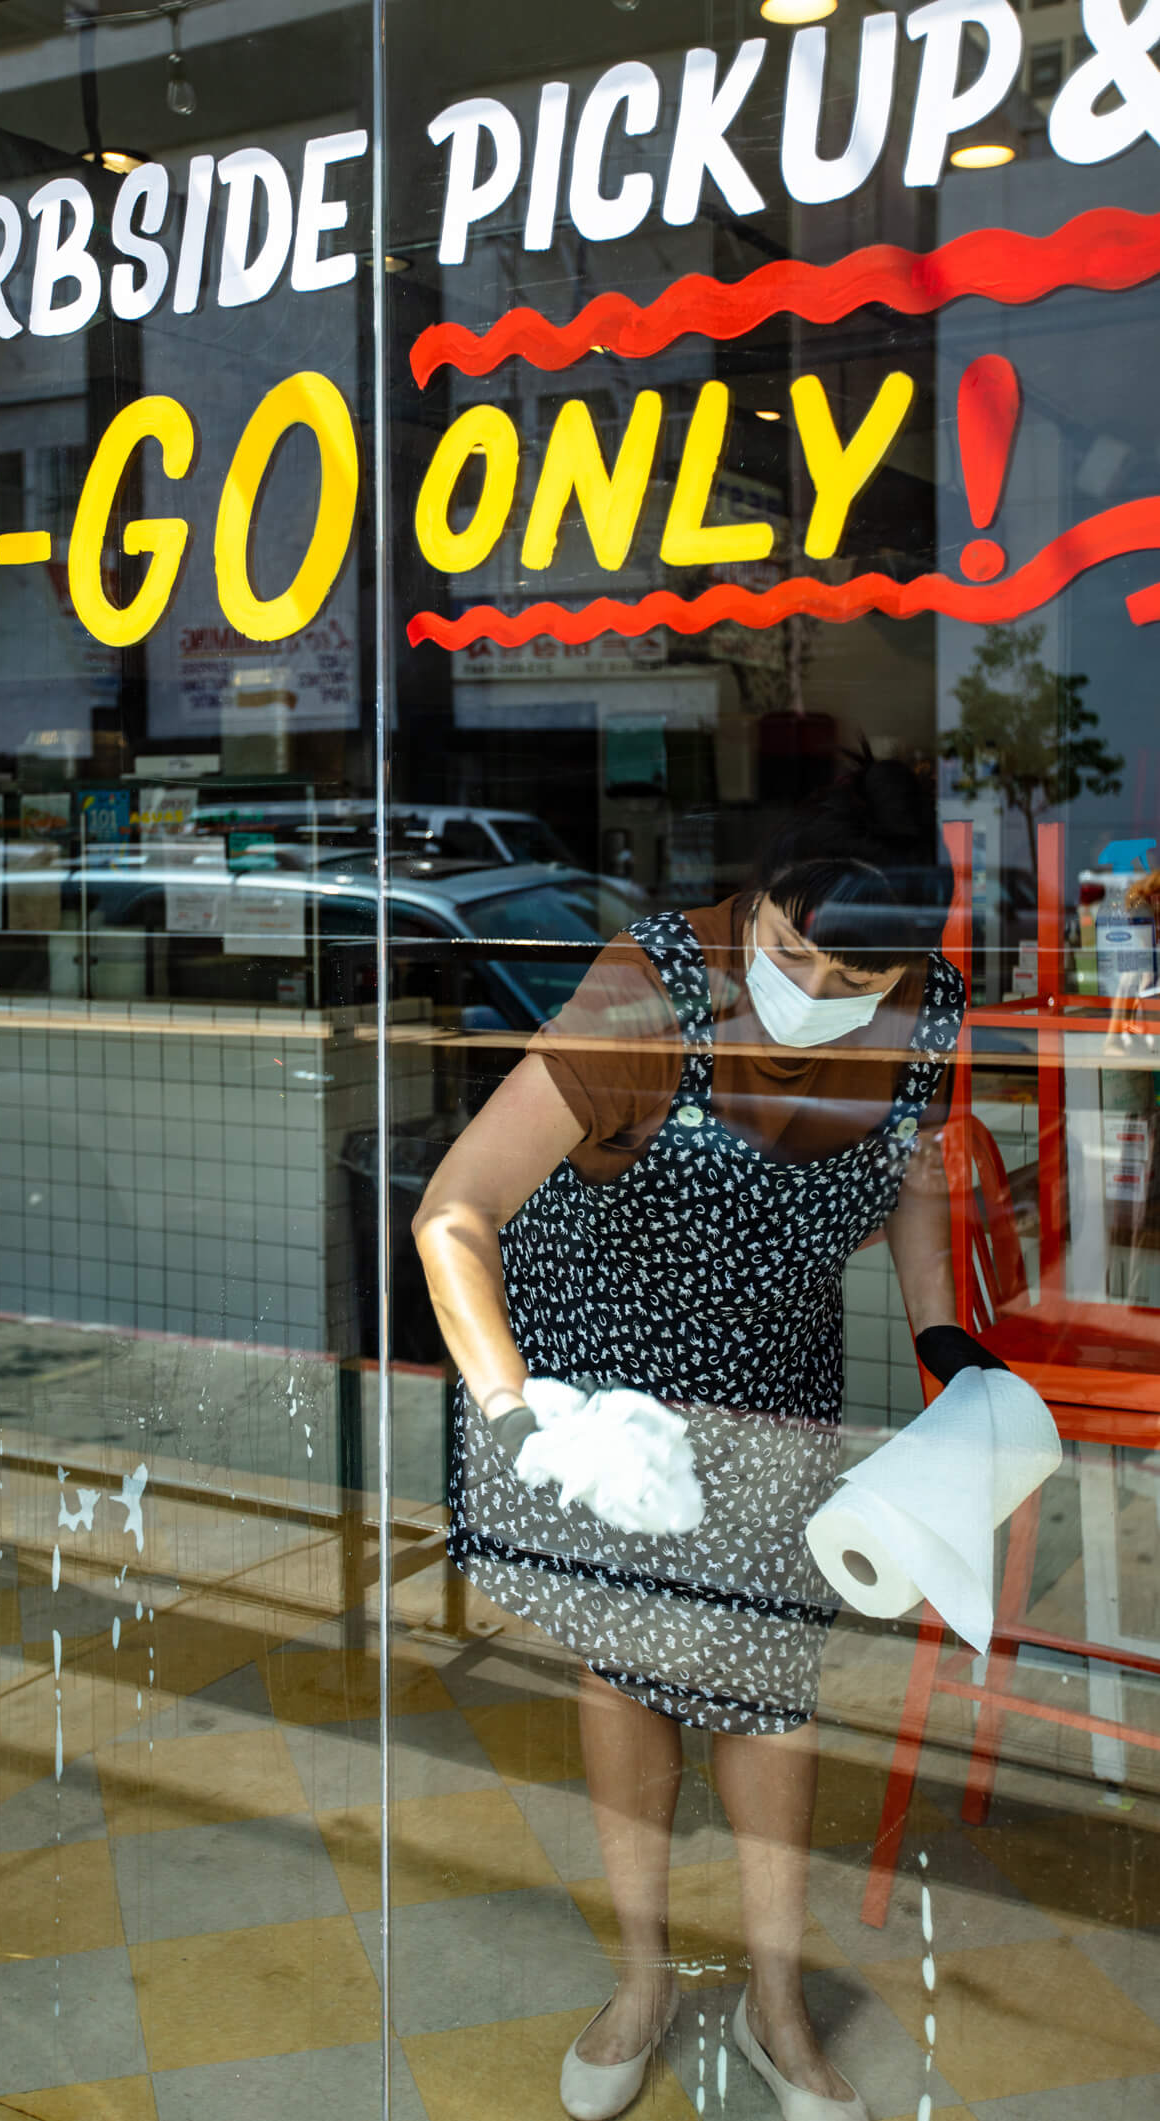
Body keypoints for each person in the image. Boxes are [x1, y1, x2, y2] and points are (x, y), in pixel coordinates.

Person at [413, 755, 1002, 2121]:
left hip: (767, 1379)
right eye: (796, 948)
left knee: (770, 1684)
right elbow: (452, 1212)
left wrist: (938, 1338)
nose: (820, 987)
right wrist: (525, 1417)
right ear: (763, 898)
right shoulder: (648, 987)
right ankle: (641, 1979)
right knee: (627, 1670)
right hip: (598, 1386)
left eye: (854, 977)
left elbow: (915, 1169)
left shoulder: (922, 1004)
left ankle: (776, 2003)